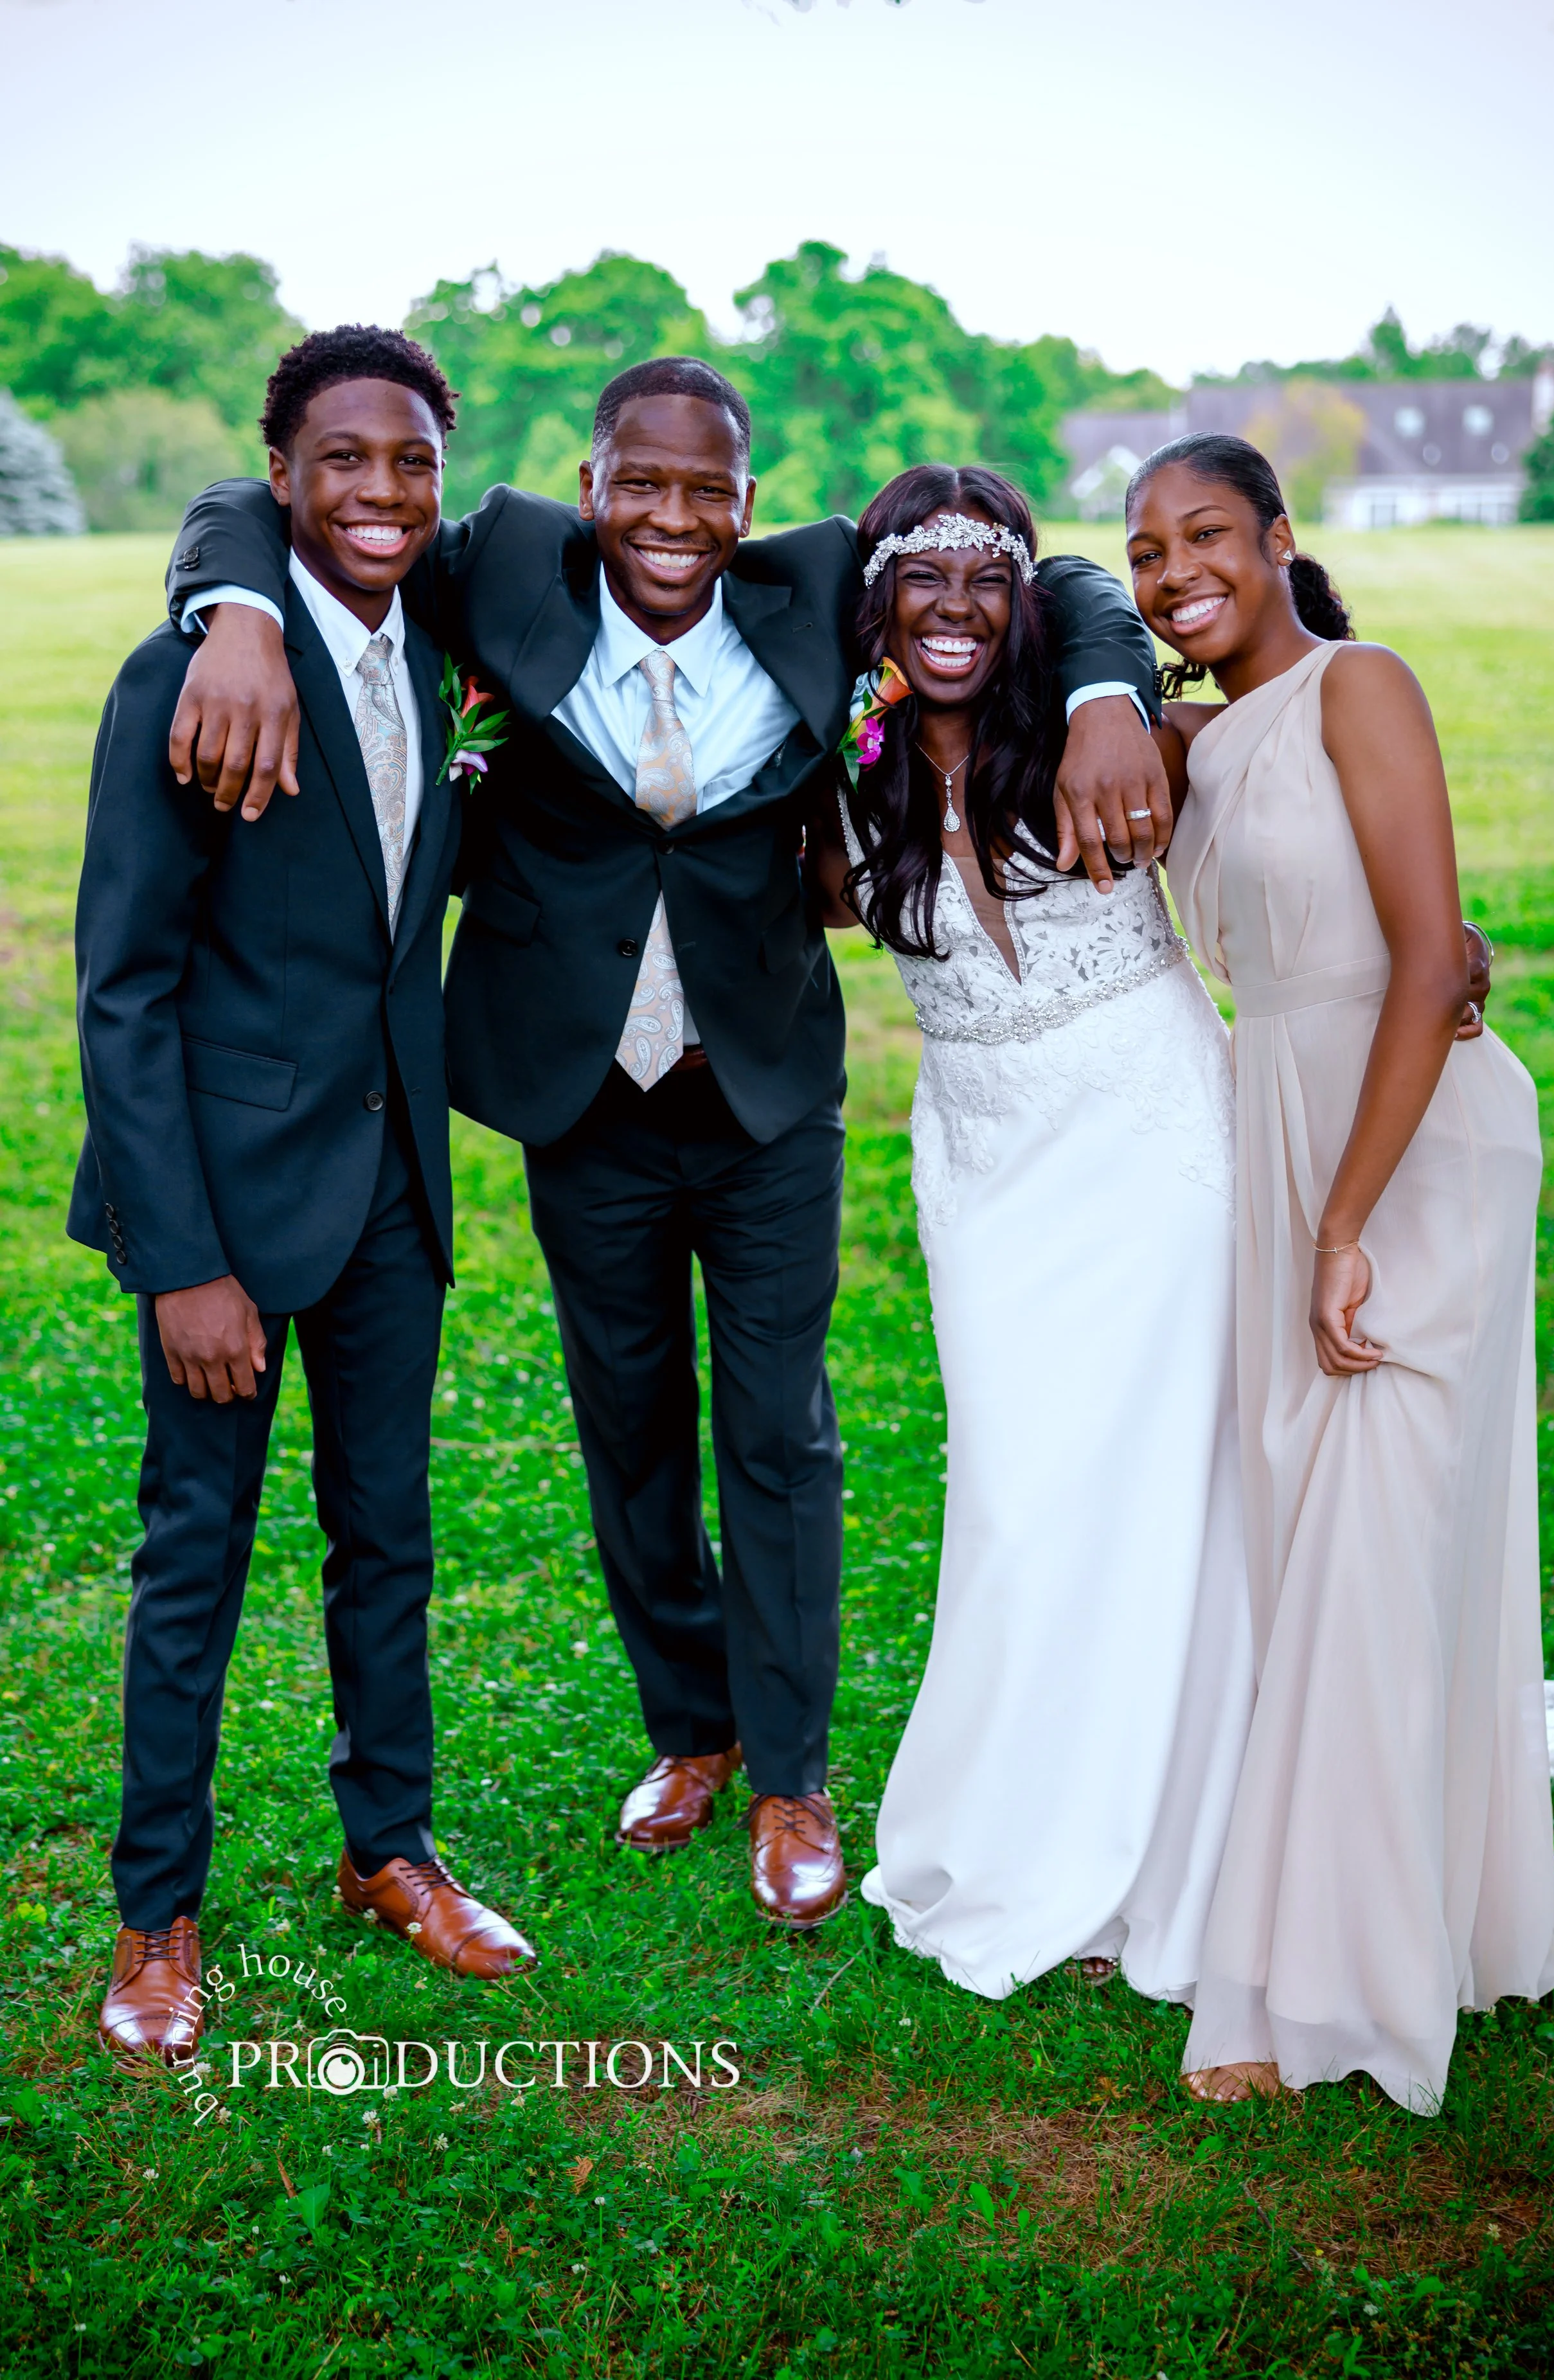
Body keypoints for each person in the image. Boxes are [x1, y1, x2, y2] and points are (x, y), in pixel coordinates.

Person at [156, 361, 1170, 1929]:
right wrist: (226, 616)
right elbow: (257, 501)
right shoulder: (491, 562)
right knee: (627, 1427)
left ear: (749, 501)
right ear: (589, 482)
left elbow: (1053, 578)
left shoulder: (820, 586)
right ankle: (685, 1735)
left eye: (707, 492)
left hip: (763, 1092)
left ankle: (787, 1774)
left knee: (777, 1430)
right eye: (641, 485)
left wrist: (1108, 694)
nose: (671, 519)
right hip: (580, 1096)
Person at [73, 328, 533, 2066]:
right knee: (196, 1556)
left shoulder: (444, 661)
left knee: (388, 1535)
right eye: (342, 460)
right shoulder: (188, 674)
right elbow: (123, 985)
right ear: (280, 480)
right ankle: (155, 1909)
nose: (382, 492)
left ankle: (389, 1847)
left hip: (394, 1183)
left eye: (410, 460)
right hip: (224, 1203)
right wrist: (179, 1259)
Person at [1131, 433, 1554, 2111]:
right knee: (1312, 1537)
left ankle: (1326, 1992)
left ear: (1275, 538)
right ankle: (1421, 1921)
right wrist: (1099, 680)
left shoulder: (1356, 684)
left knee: (1371, 1552)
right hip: (1281, 1132)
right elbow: (891, 711)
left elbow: (1421, 958)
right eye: (1145, 549)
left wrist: (1345, 1220)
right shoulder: (1175, 734)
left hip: (1409, 1143)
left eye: (1207, 535)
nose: (1178, 569)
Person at [807, 465, 1256, 2000]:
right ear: (872, 603)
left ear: (1023, 599)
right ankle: (1032, 1816)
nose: (950, 610)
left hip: (1147, 1127)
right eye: (916, 581)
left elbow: (1282, 767)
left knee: (1179, 1471)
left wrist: (1423, 923)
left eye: (983, 580)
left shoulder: (1092, 724)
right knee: (1017, 1490)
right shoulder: (843, 759)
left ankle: (1203, 1808)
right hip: (986, 1159)